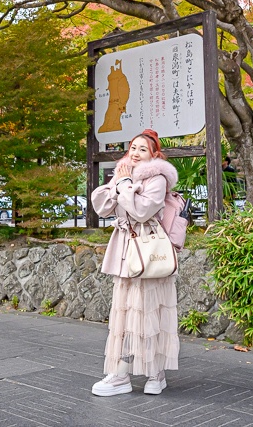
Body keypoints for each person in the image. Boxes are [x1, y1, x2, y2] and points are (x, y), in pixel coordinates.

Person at [90, 129, 179, 396]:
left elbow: (141, 212)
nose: (136, 153)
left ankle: (156, 373)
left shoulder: (158, 178)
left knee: (150, 309)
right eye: (133, 148)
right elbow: (102, 206)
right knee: (125, 312)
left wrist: (125, 186)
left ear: (154, 154)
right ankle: (120, 374)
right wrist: (118, 183)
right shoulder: (122, 176)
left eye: (143, 149)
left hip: (149, 249)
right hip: (126, 250)